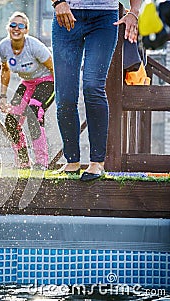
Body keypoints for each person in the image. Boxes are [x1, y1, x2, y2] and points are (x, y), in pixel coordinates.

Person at [51, 0, 141, 181]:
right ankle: (72, 161)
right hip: (66, 13)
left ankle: (97, 163)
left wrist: (134, 11)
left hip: (104, 17)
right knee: (65, 95)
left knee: (93, 86)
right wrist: (57, 2)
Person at [0, 12, 54, 169]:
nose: (16, 29)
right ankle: (23, 162)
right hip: (27, 83)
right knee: (11, 121)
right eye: (13, 25)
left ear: (26, 30)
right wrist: (3, 97)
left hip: (47, 81)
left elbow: (53, 69)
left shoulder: (34, 46)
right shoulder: (3, 47)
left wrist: (62, 93)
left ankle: (42, 163)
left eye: (21, 26)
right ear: (8, 28)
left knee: (34, 113)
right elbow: (6, 71)